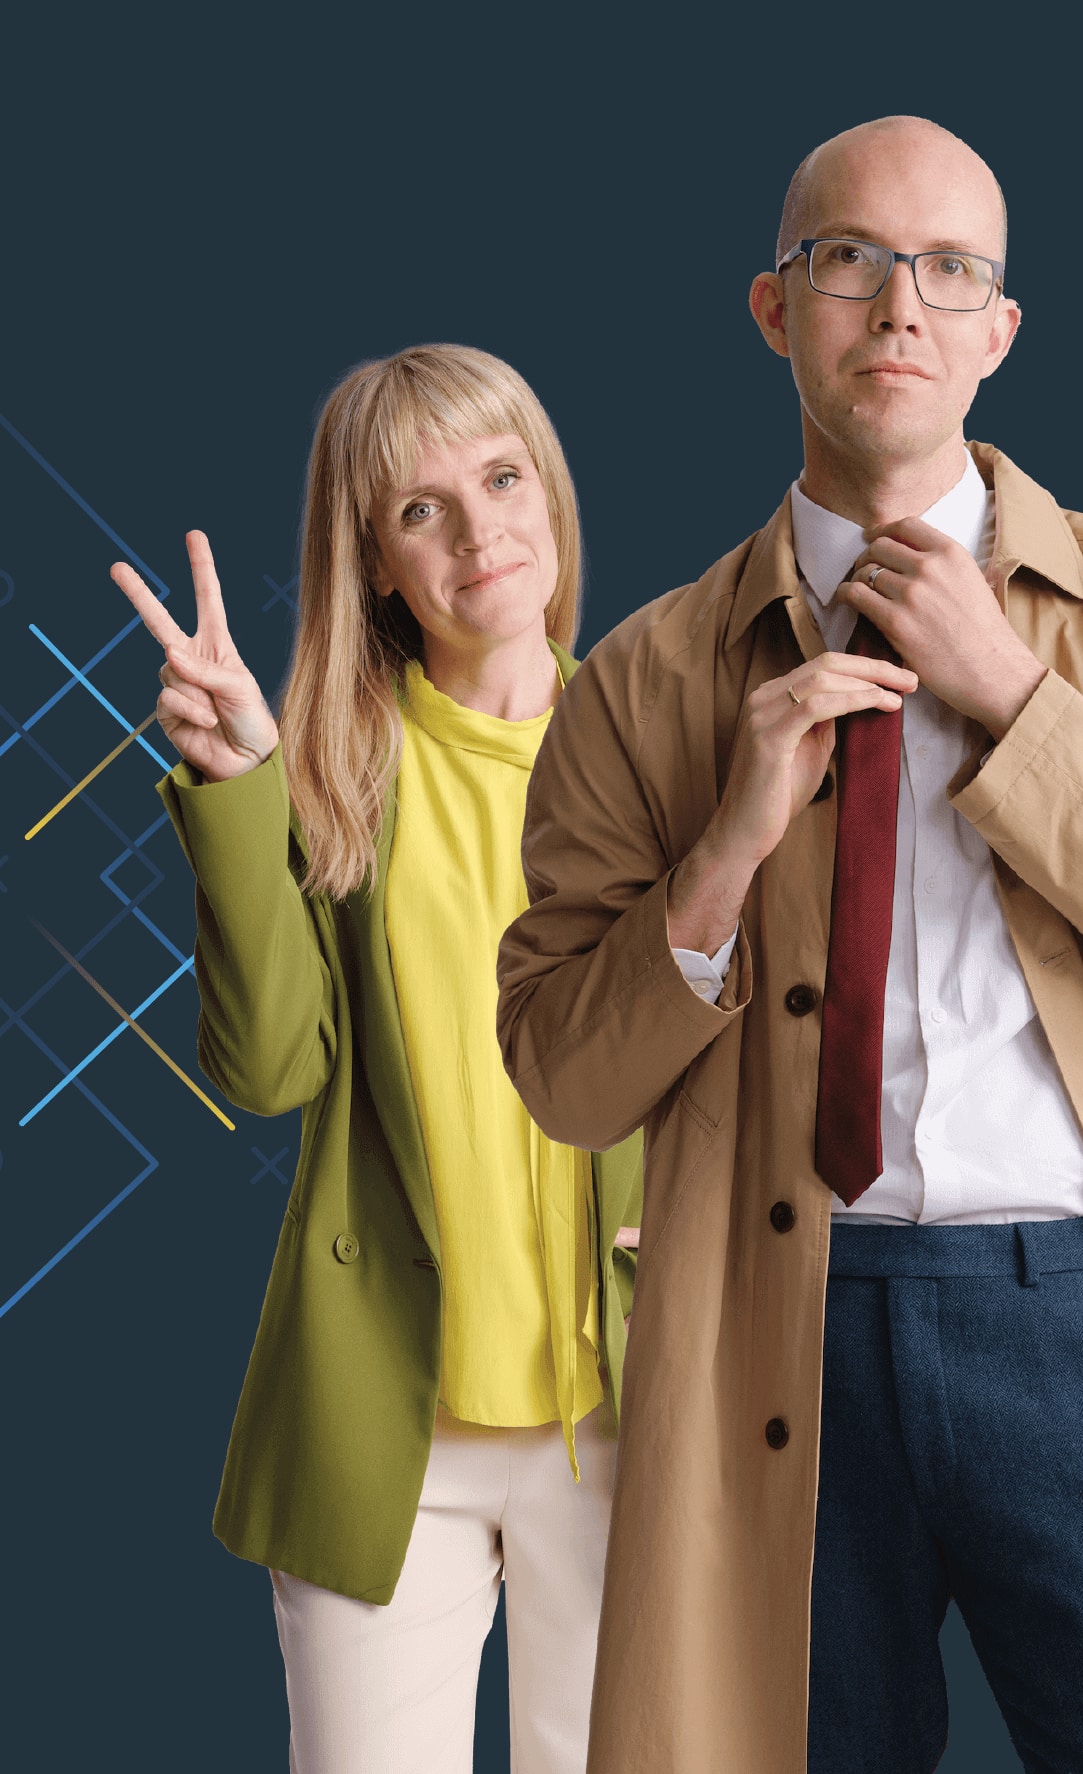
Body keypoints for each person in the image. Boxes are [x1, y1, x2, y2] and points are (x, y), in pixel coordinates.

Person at [496, 116, 1083, 1774]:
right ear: (769, 307)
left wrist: (1015, 698)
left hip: (1073, 1310)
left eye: (950, 271)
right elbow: (567, 1081)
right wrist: (728, 841)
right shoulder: (647, 679)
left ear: (998, 333)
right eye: (848, 261)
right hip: (769, 1328)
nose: (899, 307)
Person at [111, 343, 643, 1774]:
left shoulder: (666, 758)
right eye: (420, 510)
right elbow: (269, 1068)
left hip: (628, 1416)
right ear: (375, 562)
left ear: (550, 492)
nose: (478, 532)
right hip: (387, 1435)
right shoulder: (334, 775)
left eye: (500, 476)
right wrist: (235, 791)